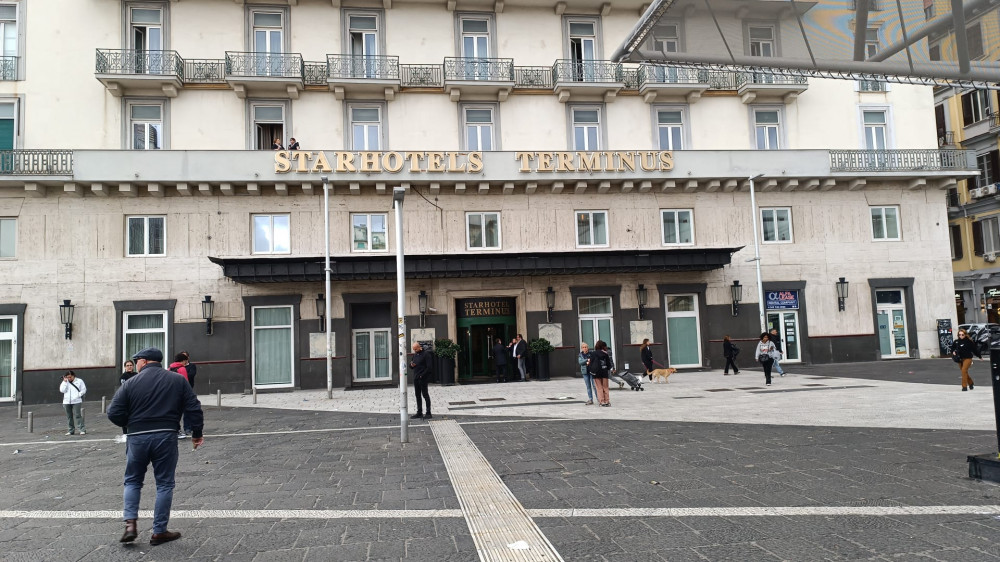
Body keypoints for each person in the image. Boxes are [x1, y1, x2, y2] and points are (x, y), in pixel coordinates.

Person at [107, 347, 204, 546]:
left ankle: (130, 525)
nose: (135, 365)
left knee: (133, 481)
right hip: (166, 435)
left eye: (137, 361)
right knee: (164, 483)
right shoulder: (177, 380)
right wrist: (197, 433)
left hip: (137, 438)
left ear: (143, 361)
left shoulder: (130, 383)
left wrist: (131, 424)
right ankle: (159, 531)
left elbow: (113, 412)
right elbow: (194, 407)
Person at [409, 342, 433, 419]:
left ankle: (428, 412)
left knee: (425, 394)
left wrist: (422, 375)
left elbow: (429, 367)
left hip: (423, 378)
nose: (415, 350)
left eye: (416, 349)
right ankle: (419, 412)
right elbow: (412, 365)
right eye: (414, 349)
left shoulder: (426, 354)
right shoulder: (415, 355)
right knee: (417, 395)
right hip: (416, 377)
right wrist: (411, 365)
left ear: (419, 347)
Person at [59, 371, 86, 436]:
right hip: (66, 401)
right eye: (67, 377)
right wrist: (65, 382)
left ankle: (82, 429)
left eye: (70, 377)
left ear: (74, 376)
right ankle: (71, 430)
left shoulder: (79, 381)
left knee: (78, 415)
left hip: (76, 401)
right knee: (69, 416)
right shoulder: (65, 382)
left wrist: (78, 395)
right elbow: (62, 390)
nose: (69, 378)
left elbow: (83, 389)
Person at [588, 340, 614, 407]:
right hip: (604, 372)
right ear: (602, 346)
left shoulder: (593, 353)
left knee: (599, 388)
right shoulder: (605, 353)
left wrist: (591, 370)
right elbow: (609, 364)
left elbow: (591, 364)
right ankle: (607, 401)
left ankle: (602, 401)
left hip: (596, 373)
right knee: (605, 387)